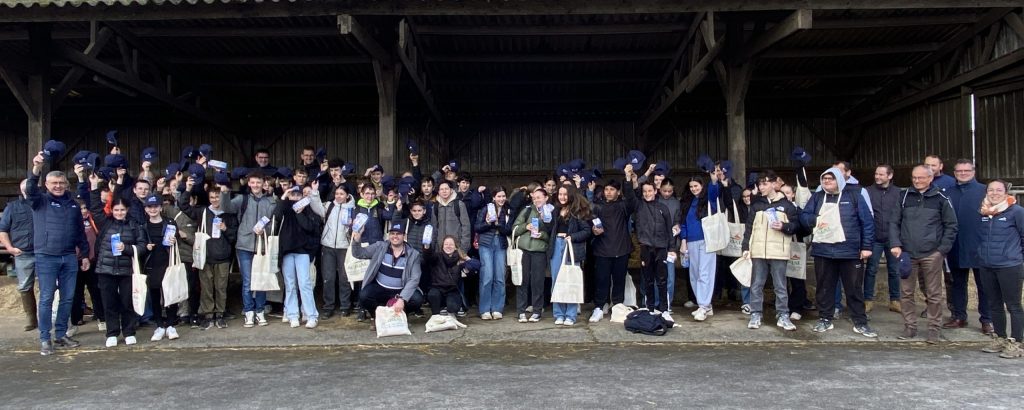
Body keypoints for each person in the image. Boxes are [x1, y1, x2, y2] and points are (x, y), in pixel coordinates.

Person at [800, 167, 877, 338]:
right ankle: (825, 318)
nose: (827, 181)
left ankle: (860, 322)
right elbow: (804, 217)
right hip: (823, 251)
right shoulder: (818, 197)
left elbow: (868, 223)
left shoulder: (854, 196)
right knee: (824, 287)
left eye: (831, 179)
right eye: (824, 179)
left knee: (854, 289)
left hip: (849, 251)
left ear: (839, 180)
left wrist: (866, 247)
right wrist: (816, 220)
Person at [28, 153, 90, 355]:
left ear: (66, 184)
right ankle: (45, 338)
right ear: (46, 184)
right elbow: (30, 190)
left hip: (69, 256)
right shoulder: (40, 201)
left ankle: (61, 334)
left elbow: (80, 231)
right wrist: (36, 169)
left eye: (61, 182)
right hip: (46, 256)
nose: (58, 186)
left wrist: (86, 255)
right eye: (54, 183)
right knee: (46, 298)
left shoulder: (72, 204)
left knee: (68, 298)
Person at [891, 165, 958, 344]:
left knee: (934, 293)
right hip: (906, 253)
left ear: (930, 178)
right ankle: (909, 327)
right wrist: (896, 244)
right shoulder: (904, 196)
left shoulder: (941, 198)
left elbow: (951, 226)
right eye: (914, 177)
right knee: (906, 293)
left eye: (921, 178)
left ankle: (934, 330)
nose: (917, 181)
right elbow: (894, 222)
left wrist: (941, 250)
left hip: (931, 253)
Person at [89, 173, 147, 348]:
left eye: (122, 210)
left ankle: (129, 331)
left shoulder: (134, 225)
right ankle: (112, 332)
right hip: (105, 269)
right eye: (116, 210)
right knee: (109, 302)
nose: (119, 212)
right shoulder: (105, 223)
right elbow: (96, 208)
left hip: (127, 270)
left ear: (127, 210)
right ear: (112, 211)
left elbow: (142, 246)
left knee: (127, 302)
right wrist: (93, 187)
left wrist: (127, 249)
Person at [741, 171, 799, 331]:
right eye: (760, 184)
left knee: (780, 285)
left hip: (778, 251)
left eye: (765, 183)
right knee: (756, 284)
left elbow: (796, 226)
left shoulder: (787, 205)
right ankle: (756, 313)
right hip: (758, 250)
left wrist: (784, 226)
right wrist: (745, 247)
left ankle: (783, 315)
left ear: (774, 184)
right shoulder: (757, 204)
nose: (761, 187)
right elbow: (749, 228)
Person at [220, 171, 275, 328]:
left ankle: (260, 311)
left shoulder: (270, 202)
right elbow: (227, 208)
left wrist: (265, 230)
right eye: (253, 183)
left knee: (261, 280)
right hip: (244, 244)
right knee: (248, 281)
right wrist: (224, 193)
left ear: (263, 183)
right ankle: (248, 312)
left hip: (262, 246)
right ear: (249, 184)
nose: (256, 185)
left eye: (258, 182)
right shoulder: (242, 199)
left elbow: (273, 223)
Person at [976, 180, 1024, 359]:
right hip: (987, 265)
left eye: (998, 190)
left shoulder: (1016, 212)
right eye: (991, 190)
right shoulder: (983, 212)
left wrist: (1019, 259)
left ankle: (1017, 342)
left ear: (1006, 192)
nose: (994, 193)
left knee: (1013, 305)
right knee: (994, 305)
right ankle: (1000, 338)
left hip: (1009, 266)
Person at [178, 187, 238, 330]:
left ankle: (220, 314)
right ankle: (208, 315)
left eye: (218, 197)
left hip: (223, 257)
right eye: (212, 197)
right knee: (206, 288)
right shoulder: (202, 212)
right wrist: (187, 189)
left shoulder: (229, 215)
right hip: (205, 256)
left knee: (221, 287)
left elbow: (234, 237)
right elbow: (184, 206)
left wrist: (225, 229)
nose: (215, 200)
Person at [945, 159, 992, 334]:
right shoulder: (947, 192)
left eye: (966, 170)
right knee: (957, 283)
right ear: (954, 173)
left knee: (984, 285)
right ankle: (959, 317)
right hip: (955, 245)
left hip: (980, 244)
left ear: (973, 171)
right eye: (959, 171)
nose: (962, 173)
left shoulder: (984, 191)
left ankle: (986, 320)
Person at [588, 178, 638, 322]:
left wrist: (628, 180)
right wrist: (594, 230)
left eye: (612, 190)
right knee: (602, 280)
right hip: (602, 249)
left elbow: (632, 201)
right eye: (606, 189)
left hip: (621, 249)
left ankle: (617, 306)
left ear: (618, 192)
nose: (609, 192)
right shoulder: (598, 206)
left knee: (619, 280)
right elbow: (589, 217)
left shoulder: (623, 206)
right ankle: (599, 306)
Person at [350, 221, 425, 317]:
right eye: (392, 233)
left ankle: (399, 316)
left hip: (401, 290)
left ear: (404, 236)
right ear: (389, 235)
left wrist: (402, 299)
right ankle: (378, 316)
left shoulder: (413, 254)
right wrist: (357, 239)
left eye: (398, 234)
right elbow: (359, 253)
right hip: (381, 288)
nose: (395, 236)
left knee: (417, 299)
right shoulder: (380, 246)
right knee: (364, 295)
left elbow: (414, 279)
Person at [273, 187, 321, 329]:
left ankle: (311, 315)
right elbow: (275, 216)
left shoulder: (308, 210)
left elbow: (310, 228)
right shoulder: (285, 210)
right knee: (290, 285)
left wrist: (300, 213)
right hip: (287, 251)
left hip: (303, 252)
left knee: (305, 284)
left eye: (297, 195)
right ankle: (293, 315)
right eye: (292, 195)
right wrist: (284, 197)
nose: (295, 197)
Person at [629, 174, 675, 321]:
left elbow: (669, 230)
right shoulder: (639, 206)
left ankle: (664, 309)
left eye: (650, 191)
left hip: (661, 248)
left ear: (656, 191)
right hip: (645, 247)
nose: (647, 194)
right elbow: (632, 194)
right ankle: (650, 308)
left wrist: (672, 249)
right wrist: (634, 181)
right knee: (648, 279)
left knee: (662, 280)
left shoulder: (663, 208)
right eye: (644, 192)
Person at [547, 185, 593, 326]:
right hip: (556, 246)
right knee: (556, 281)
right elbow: (550, 230)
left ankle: (571, 315)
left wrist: (571, 237)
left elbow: (586, 231)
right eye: (560, 194)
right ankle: (559, 314)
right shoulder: (555, 210)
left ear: (571, 195)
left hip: (570, 247)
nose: (562, 197)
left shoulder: (577, 211)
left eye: (565, 194)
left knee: (571, 281)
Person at [679, 172, 721, 322]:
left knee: (705, 273)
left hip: (706, 240)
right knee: (694, 274)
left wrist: (714, 181)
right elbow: (683, 223)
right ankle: (705, 305)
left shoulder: (708, 200)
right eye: (691, 186)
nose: (693, 189)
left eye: (696, 186)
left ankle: (703, 306)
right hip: (691, 241)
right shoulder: (688, 201)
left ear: (702, 186)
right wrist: (683, 240)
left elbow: (714, 194)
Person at [310, 182, 356, 319]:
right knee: (328, 278)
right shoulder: (329, 206)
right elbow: (317, 207)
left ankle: (345, 306)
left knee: (344, 277)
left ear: (347, 195)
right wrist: (314, 192)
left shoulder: (353, 208)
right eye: (337, 193)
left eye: (341, 194)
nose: (338, 196)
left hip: (344, 247)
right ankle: (328, 306)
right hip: (328, 245)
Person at [140, 194, 181, 342]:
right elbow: (140, 245)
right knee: (155, 296)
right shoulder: (143, 226)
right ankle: (159, 325)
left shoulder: (170, 223)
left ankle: (170, 325)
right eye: (150, 207)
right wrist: (145, 247)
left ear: (160, 207)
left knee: (171, 295)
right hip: (152, 264)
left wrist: (174, 240)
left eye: (155, 206)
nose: (153, 209)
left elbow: (178, 242)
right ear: (145, 209)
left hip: (168, 262)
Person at [863, 164, 902, 314]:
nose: (877, 177)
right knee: (871, 270)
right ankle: (868, 300)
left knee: (894, 270)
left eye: (881, 174)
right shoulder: (867, 192)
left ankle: (895, 300)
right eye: (876, 174)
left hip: (893, 238)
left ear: (890, 176)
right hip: (874, 237)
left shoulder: (899, 193)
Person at [0, 179, 38, 332]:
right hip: (23, 253)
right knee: (24, 286)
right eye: (27, 188)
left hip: (45, 253)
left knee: (52, 286)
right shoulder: (12, 207)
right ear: (22, 190)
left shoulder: (43, 204)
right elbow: (3, 230)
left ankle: (51, 317)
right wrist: (9, 248)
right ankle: (31, 319)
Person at [512, 188, 553, 323]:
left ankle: (537, 310)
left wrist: (542, 235)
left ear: (546, 198)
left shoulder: (551, 212)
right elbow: (515, 229)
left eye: (539, 197)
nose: (536, 200)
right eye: (534, 198)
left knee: (538, 281)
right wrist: (526, 226)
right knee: (522, 280)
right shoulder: (527, 210)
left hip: (539, 250)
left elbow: (552, 234)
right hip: (524, 249)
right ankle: (521, 311)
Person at [475, 187, 513, 320]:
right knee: (487, 276)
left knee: (500, 277)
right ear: (493, 197)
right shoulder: (486, 208)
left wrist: (498, 225)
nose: (501, 199)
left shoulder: (508, 210)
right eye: (499, 196)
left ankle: (497, 308)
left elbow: (509, 230)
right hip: (486, 243)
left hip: (501, 244)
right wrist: (488, 223)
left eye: (503, 196)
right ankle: (485, 309)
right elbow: (477, 227)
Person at [423, 236, 471, 316]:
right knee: (433, 294)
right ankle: (436, 315)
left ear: (455, 247)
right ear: (442, 246)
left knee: (453, 307)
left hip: (452, 290)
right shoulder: (437, 256)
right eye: (446, 244)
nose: (448, 246)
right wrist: (427, 246)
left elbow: (476, 265)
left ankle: (451, 311)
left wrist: (467, 259)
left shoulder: (460, 258)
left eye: (451, 244)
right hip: (437, 289)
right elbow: (428, 256)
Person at [656, 178, 683, 311]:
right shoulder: (655, 201)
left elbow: (678, 220)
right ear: (659, 190)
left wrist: (677, 226)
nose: (667, 193)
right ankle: (656, 303)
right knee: (657, 275)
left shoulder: (676, 203)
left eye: (670, 191)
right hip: (656, 243)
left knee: (670, 277)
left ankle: (667, 303)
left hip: (671, 243)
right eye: (664, 191)